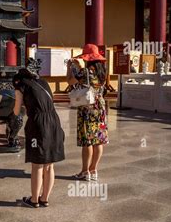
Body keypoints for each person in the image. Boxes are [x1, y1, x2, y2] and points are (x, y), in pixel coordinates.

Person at [12, 58, 65, 208]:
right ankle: (44, 198)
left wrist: (20, 107)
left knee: (37, 164)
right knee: (49, 165)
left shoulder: (21, 84)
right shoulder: (44, 82)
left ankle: (34, 200)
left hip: (38, 124)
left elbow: (17, 111)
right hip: (53, 121)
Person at [66, 44, 109, 182]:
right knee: (99, 140)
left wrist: (70, 67)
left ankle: (85, 171)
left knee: (88, 141)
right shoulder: (103, 71)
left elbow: (70, 80)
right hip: (100, 108)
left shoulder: (85, 72)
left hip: (87, 108)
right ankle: (93, 169)